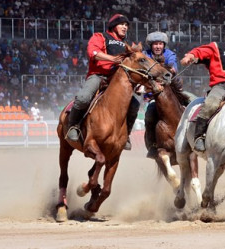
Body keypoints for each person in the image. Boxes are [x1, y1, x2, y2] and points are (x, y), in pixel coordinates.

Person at [65, 14, 139, 150]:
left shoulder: (130, 44)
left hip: (117, 81)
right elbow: (93, 52)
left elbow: (138, 61)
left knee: (134, 104)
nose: (125, 27)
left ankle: (125, 135)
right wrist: (113, 59)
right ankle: (73, 126)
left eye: (126, 25)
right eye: (121, 24)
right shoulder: (100, 37)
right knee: (83, 98)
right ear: (113, 26)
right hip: (98, 76)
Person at [180, 21, 225, 152]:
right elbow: (201, 51)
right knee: (211, 104)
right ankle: (199, 137)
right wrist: (191, 56)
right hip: (221, 85)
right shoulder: (217, 47)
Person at [142, 31, 185, 159]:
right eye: (155, 44)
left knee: (193, 104)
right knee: (150, 113)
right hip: (152, 96)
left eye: (160, 44)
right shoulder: (145, 55)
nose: (158, 47)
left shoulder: (170, 54)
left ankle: (196, 140)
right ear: (151, 45)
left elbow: (172, 69)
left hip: (174, 94)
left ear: (164, 45)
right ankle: (152, 146)